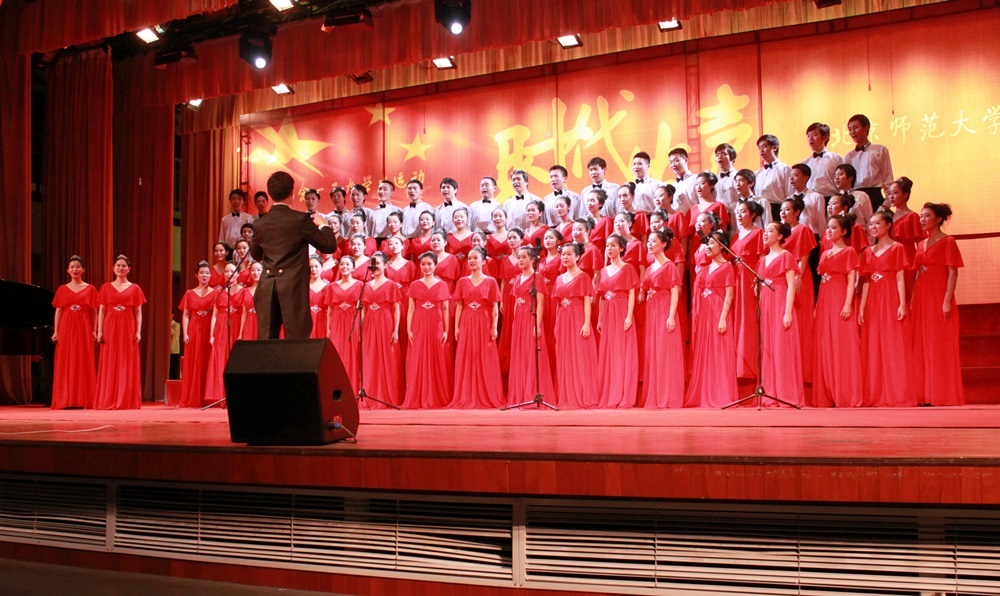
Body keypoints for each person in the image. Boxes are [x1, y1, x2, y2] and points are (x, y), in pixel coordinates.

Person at [249, 171, 337, 339]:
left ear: (270, 194)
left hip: (267, 287)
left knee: (266, 341)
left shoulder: (260, 223)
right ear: (292, 193)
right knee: (296, 340)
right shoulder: (300, 220)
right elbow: (328, 245)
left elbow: (256, 254)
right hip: (293, 287)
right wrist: (323, 225)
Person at [911, 203, 964, 406]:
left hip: (938, 292)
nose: (922, 219)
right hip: (921, 293)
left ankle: (940, 393)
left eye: (927, 216)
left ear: (939, 219)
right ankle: (923, 394)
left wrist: (947, 300)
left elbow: (953, 272)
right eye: (921, 216)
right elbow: (917, 271)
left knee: (937, 341)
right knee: (922, 341)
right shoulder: (920, 244)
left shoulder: (948, 241)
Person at [859, 211, 914, 407]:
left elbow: (900, 277)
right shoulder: (868, 252)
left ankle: (896, 392)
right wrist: (862, 307)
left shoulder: (897, 248)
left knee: (892, 342)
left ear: (888, 225)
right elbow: (866, 281)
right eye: (871, 224)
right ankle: (875, 392)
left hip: (890, 296)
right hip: (873, 298)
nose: (873, 227)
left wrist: (902, 303)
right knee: (874, 343)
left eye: (877, 223)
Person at [813, 215, 863, 408]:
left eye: (834, 228)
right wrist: (817, 305)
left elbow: (851, 280)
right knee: (826, 342)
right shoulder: (825, 253)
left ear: (843, 231)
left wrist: (848, 303)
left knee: (841, 343)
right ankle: (828, 392)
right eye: (828, 227)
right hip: (825, 299)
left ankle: (845, 392)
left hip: (840, 296)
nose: (829, 231)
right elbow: (821, 281)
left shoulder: (849, 251)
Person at [683, 232, 736, 408]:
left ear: (722, 246)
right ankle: (704, 391)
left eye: (712, 243)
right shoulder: (704, 269)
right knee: (705, 351)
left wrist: (723, 318)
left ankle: (720, 393)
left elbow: (729, 293)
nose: (708, 246)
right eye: (707, 244)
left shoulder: (727, 267)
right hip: (705, 314)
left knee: (719, 351)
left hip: (718, 311)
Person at [450, 247, 504, 408]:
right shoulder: (462, 281)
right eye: (469, 258)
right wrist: (456, 327)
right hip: (467, 321)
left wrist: (494, 327)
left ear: (483, 261)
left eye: (475, 258)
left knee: (485, 355)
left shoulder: (491, 281)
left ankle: (487, 393)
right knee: (467, 355)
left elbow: (494, 307)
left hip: (484, 321)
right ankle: (466, 395)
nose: (472, 261)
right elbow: (459, 305)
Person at [758, 223, 805, 407]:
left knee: (781, 347)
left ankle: (786, 394)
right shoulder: (762, 260)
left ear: (779, 236)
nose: (765, 234)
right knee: (768, 348)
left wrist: (787, 312)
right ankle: (770, 394)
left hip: (780, 302)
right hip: (766, 304)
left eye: (770, 231)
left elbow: (791, 285)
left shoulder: (786, 256)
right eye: (765, 231)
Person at [505, 245, 556, 407]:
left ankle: (533, 391)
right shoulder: (517, 278)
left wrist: (537, 324)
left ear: (532, 259)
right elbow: (515, 302)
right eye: (519, 257)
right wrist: (515, 322)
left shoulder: (537, 278)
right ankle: (520, 393)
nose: (520, 260)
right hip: (519, 319)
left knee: (531, 353)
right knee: (519, 353)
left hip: (531, 317)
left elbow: (540, 303)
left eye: (524, 257)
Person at [402, 252, 453, 409]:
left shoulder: (442, 285)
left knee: (437, 357)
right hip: (419, 324)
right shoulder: (415, 285)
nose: (426, 267)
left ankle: (437, 396)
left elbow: (445, 308)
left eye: (429, 264)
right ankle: (418, 395)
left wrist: (446, 330)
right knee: (418, 357)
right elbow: (411, 309)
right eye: (423, 264)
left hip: (436, 325)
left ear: (435, 265)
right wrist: (409, 329)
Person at [551, 242, 598, 409]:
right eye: (563, 254)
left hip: (578, 317)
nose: (565, 257)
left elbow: (587, 301)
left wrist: (586, 323)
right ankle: (566, 394)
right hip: (563, 319)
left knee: (579, 355)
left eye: (569, 254)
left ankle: (582, 393)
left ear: (577, 256)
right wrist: (556, 324)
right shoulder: (559, 278)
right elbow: (558, 304)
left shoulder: (584, 277)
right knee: (565, 356)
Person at [95, 255, 146, 410]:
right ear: (113, 268)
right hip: (110, 325)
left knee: (126, 359)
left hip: (128, 325)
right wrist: (99, 330)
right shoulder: (105, 287)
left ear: (129, 269)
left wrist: (138, 331)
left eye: (124, 266)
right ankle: (109, 398)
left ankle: (125, 398)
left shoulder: (135, 288)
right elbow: (102, 310)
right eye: (118, 265)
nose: (120, 268)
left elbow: (138, 312)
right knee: (110, 359)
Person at [596, 234, 640, 408]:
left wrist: (629, 315)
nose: (609, 248)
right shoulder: (603, 271)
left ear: (621, 248)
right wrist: (600, 318)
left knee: (622, 350)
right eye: (607, 245)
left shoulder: (628, 268)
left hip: (621, 310)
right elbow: (601, 297)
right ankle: (610, 392)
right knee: (609, 351)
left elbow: (631, 293)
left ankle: (623, 393)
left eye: (613, 245)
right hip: (608, 312)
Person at [642, 231, 684, 408]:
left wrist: (671, 316)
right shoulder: (650, 267)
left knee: (665, 350)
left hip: (664, 308)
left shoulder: (670, 266)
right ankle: (655, 393)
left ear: (663, 244)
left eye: (654, 241)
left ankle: (668, 394)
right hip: (651, 309)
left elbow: (674, 292)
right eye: (649, 241)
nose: (650, 244)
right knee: (654, 350)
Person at [50, 255, 98, 409]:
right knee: (65, 361)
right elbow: (58, 311)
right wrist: (56, 331)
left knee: (83, 359)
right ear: (67, 270)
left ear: (83, 269)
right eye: (72, 267)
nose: (75, 269)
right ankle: (65, 399)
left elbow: (94, 312)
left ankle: (84, 399)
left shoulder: (90, 289)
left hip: (84, 326)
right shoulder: (62, 289)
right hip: (66, 327)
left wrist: (94, 330)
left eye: (78, 267)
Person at [779, 197, 817, 384]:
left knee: (800, 319)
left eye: (787, 209)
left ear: (797, 212)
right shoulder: (781, 232)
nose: (783, 213)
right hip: (783, 277)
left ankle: (803, 370)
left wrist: (799, 275)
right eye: (782, 209)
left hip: (798, 276)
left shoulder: (803, 229)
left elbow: (805, 254)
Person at [360, 252, 403, 408]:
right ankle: (371, 395)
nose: (375, 266)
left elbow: (396, 309)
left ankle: (388, 396)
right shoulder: (365, 285)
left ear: (385, 266)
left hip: (386, 323)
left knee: (387, 357)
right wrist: (361, 328)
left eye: (377, 263)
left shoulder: (391, 285)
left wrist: (395, 330)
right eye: (372, 264)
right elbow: (363, 309)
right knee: (370, 358)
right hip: (370, 323)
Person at [731, 200, 766, 380]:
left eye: (743, 212)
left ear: (752, 214)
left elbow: (762, 259)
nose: (739, 215)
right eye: (737, 212)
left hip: (750, 279)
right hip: (736, 279)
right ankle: (738, 366)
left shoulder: (758, 233)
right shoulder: (736, 236)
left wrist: (759, 281)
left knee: (750, 319)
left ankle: (751, 366)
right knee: (738, 317)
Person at [178, 261, 216, 408]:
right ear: (196, 275)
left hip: (209, 329)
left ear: (211, 275)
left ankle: (208, 397)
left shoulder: (215, 293)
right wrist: (185, 333)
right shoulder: (189, 293)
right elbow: (186, 314)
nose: (204, 275)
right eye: (201, 273)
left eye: (207, 273)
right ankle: (192, 396)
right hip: (194, 329)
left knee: (207, 360)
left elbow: (216, 315)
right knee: (194, 361)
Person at [205, 262, 245, 405]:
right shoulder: (219, 291)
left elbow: (245, 313)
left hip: (236, 324)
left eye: (232, 271)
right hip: (222, 327)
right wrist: (211, 335)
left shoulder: (243, 291)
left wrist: (241, 333)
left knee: (235, 360)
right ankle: (222, 395)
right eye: (226, 271)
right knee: (221, 359)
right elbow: (214, 315)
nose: (229, 274)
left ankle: (236, 394)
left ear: (238, 274)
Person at [884, 176, 926, 301]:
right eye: (889, 193)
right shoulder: (888, 217)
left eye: (895, 193)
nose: (891, 196)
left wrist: (920, 264)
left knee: (908, 294)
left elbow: (921, 243)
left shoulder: (912, 216)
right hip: (891, 259)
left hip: (908, 259)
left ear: (905, 195)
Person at [325, 255, 363, 394]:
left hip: (353, 321)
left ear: (353, 268)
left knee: (354, 354)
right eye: (342, 264)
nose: (344, 267)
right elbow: (329, 309)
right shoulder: (332, 286)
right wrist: (328, 328)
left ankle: (354, 389)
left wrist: (361, 327)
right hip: (337, 322)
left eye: (347, 264)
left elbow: (362, 309)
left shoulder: (360, 285)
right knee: (338, 354)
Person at [843, 114, 893, 211]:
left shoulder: (880, 150)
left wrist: (886, 204)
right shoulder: (848, 156)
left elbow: (888, 179)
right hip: (855, 198)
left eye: (855, 128)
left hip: (875, 196)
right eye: (850, 129)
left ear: (866, 127)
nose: (852, 132)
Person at [384, 236, 418, 360]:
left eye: (396, 243)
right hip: (391, 301)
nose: (393, 246)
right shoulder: (385, 266)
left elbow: (415, 285)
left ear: (403, 246)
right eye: (391, 244)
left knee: (407, 328)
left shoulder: (410, 264)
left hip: (406, 299)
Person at [497, 228, 524, 375]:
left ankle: (520, 359)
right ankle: (507, 362)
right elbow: (502, 281)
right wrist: (501, 300)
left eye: (514, 237)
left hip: (521, 295)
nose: (512, 240)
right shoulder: (504, 260)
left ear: (522, 239)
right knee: (507, 327)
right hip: (507, 296)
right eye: (509, 238)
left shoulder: (525, 257)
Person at [754, 134, 792, 223]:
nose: (761, 150)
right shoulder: (757, 173)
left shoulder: (785, 169)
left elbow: (790, 194)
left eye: (764, 146)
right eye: (759, 148)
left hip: (777, 211)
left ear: (775, 147)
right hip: (759, 213)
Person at [822, 190, 869, 256]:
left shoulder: (855, 227)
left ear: (844, 208)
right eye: (828, 204)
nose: (829, 207)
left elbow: (860, 253)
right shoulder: (827, 231)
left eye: (834, 203)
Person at [802, 122, 843, 198]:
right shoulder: (805, 163)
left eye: (814, 135)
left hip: (831, 198)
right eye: (808, 136)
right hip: (810, 200)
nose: (810, 139)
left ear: (825, 137)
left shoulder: (837, 159)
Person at [832, 163, 873, 239]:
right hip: (841, 236)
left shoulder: (861, 195)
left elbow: (869, 219)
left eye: (840, 174)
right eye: (835, 176)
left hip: (859, 235)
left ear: (850, 177)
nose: (836, 178)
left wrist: (870, 241)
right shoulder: (835, 198)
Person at [788, 163, 827, 236]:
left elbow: (821, 222)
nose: (791, 178)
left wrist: (822, 239)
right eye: (790, 176)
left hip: (811, 236)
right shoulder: (788, 199)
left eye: (795, 175)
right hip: (793, 236)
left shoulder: (816, 197)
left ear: (805, 178)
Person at [583, 188, 613, 255]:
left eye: (592, 200)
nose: (589, 203)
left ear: (600, 204)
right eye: (588, 200)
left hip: (600, 254)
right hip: (586, 254)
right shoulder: (583, 221)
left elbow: (608, 243)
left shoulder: (606, 220)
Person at [664, 148, 694, 213]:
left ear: (686, 160)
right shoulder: (673, 186)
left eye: (676, 160)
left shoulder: (696, 179)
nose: (673, 165)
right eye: (671, 162)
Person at [446, 208, 474, 277]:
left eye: (462, 217)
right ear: (453, 220)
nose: (459, 219)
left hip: (469, 270)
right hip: (452, 270)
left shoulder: (474, 236)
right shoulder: (448, 237)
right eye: (456, 217)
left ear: (467, 218)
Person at [239, 262, 262, 340]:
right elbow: (244, 313)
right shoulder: (245, 291)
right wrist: (240, 333)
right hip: (249, 324)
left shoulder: (267, 289)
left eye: (258, 270)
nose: (255, 273)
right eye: (252, 270)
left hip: (262, 323)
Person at [714, 143, 740, 214]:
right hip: (720, 215)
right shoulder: (715, 179)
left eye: (724, 154)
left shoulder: (739, 176)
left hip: (736, 214)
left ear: (732, 158)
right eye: (717, 155)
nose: (720, 157)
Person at [307, 257, 329, 339]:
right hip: (308, 321)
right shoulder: (304, 286)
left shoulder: (328, 287)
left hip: (322, 321)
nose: (313, 269)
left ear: (322, 267)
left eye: (316, 266)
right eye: (311, 267)